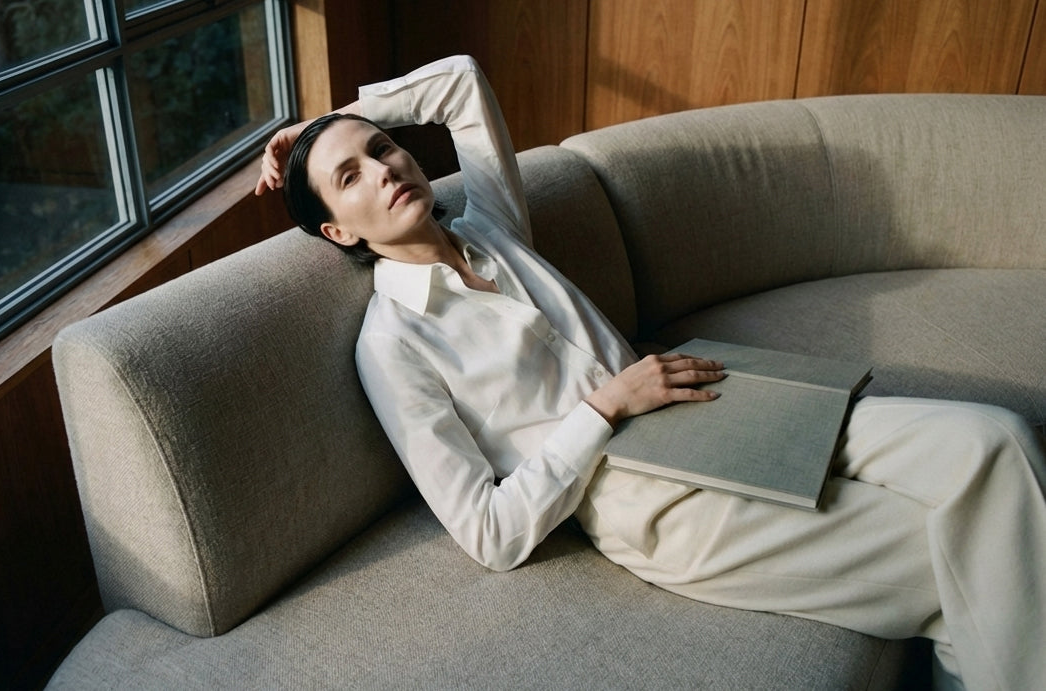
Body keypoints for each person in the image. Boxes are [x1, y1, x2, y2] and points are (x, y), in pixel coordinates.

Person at [256, 55, 1046, 690]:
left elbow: (461, 80)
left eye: (381, 148)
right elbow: (489, 534)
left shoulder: (491, 228)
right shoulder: (391, 344)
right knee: (970, 559)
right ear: (335, 229)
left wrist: (326, 125)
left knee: (998, 440)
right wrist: (603, 407)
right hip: (648, 499)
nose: (383, 169)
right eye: (350, 177)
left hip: (712, 395)